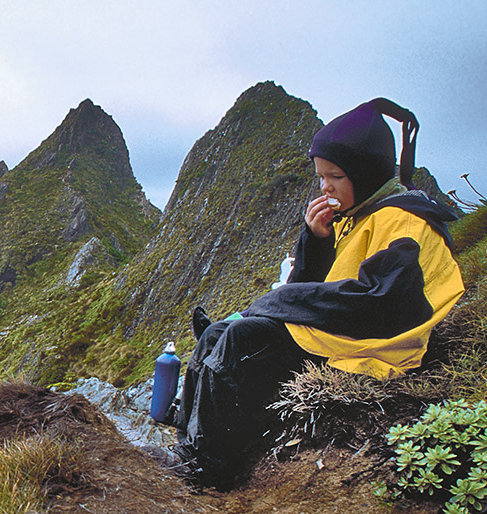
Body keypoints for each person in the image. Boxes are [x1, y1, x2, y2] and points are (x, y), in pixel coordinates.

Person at [168, 98, 465, 489]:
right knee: (215, 334)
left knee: (242, 340)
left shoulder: (403, 222)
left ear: (366, 174)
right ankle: (187, 446)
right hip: (340, 331)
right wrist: (317, 239)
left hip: (371, 347)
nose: (325, 187)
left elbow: (381, 305)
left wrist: (280, 303)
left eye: (336, 176)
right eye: (321, 176)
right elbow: (315, 283)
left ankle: (207, 469)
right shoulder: (357, 215)